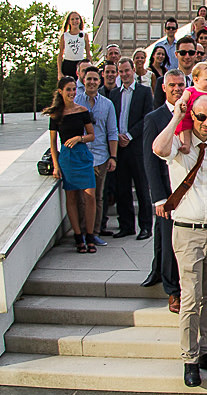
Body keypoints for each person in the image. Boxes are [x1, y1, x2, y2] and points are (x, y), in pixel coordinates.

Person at [152, 95, 207, 386]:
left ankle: (205, 351)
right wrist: (177, 116)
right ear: (192, 116)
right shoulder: (180, 142)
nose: (205, 123)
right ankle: (189, 358)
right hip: (187, 230)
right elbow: (158, 148)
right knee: (190, 298)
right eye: (200, 117)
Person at [141, 69, 185, 307]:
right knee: (168, 239)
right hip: (167, 190)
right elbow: (150, 161)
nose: (177, 89)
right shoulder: (154, 118)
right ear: (164, 88)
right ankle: (173, 289)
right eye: (173, 85)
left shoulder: (193, 114)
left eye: (181, 85)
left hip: (189, 187)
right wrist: (158, 197)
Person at [106, 57, 153, 239]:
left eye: (127, 70)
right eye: (121, 71)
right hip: (119, 148)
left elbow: (147, 117)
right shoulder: (114, 94)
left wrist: (130, 135)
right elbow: (111, 119)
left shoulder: (143, 92)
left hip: (137, 146)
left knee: (142, 188)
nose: (124, 74)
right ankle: (126, 226)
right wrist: (117, 136)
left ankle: (145, 227)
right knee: (122, 188)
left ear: (133, 70)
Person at [49, 78, 97, 252]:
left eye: (73, 90)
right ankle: (78, 237)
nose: (71, 93)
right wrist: (56, 166)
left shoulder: (82, 110)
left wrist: (79, 138)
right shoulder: (56, 115)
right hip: (67, 159)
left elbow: (92, 135)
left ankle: (90, 235)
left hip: (83, 156)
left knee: (90, 197)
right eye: (68, 90)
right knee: (72, 198)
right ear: (61, 91)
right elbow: (53, 144)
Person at [79, 67, 119, 247]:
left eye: (95, 79)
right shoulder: (76, 101)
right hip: (80, 156)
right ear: (83, 80)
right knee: (82, 197)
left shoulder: (107, 104)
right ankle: (81, 232)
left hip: (101, 157)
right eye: (89, 79)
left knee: (97, 197)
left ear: (100, 80)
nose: (92, 82)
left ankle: (94, 232)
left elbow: (112, 132)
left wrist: (113, 156)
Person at [57, 11, 91, 85]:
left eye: (77, 19)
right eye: (72, 19)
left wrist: (90, 68)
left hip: (80, 64)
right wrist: (59, 72)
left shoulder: (84, 35)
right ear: (69, 21)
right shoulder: (65, 36)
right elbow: (60, 55)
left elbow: (88, 54)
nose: (75, 21)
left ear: (80, 21)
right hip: (67, 64)